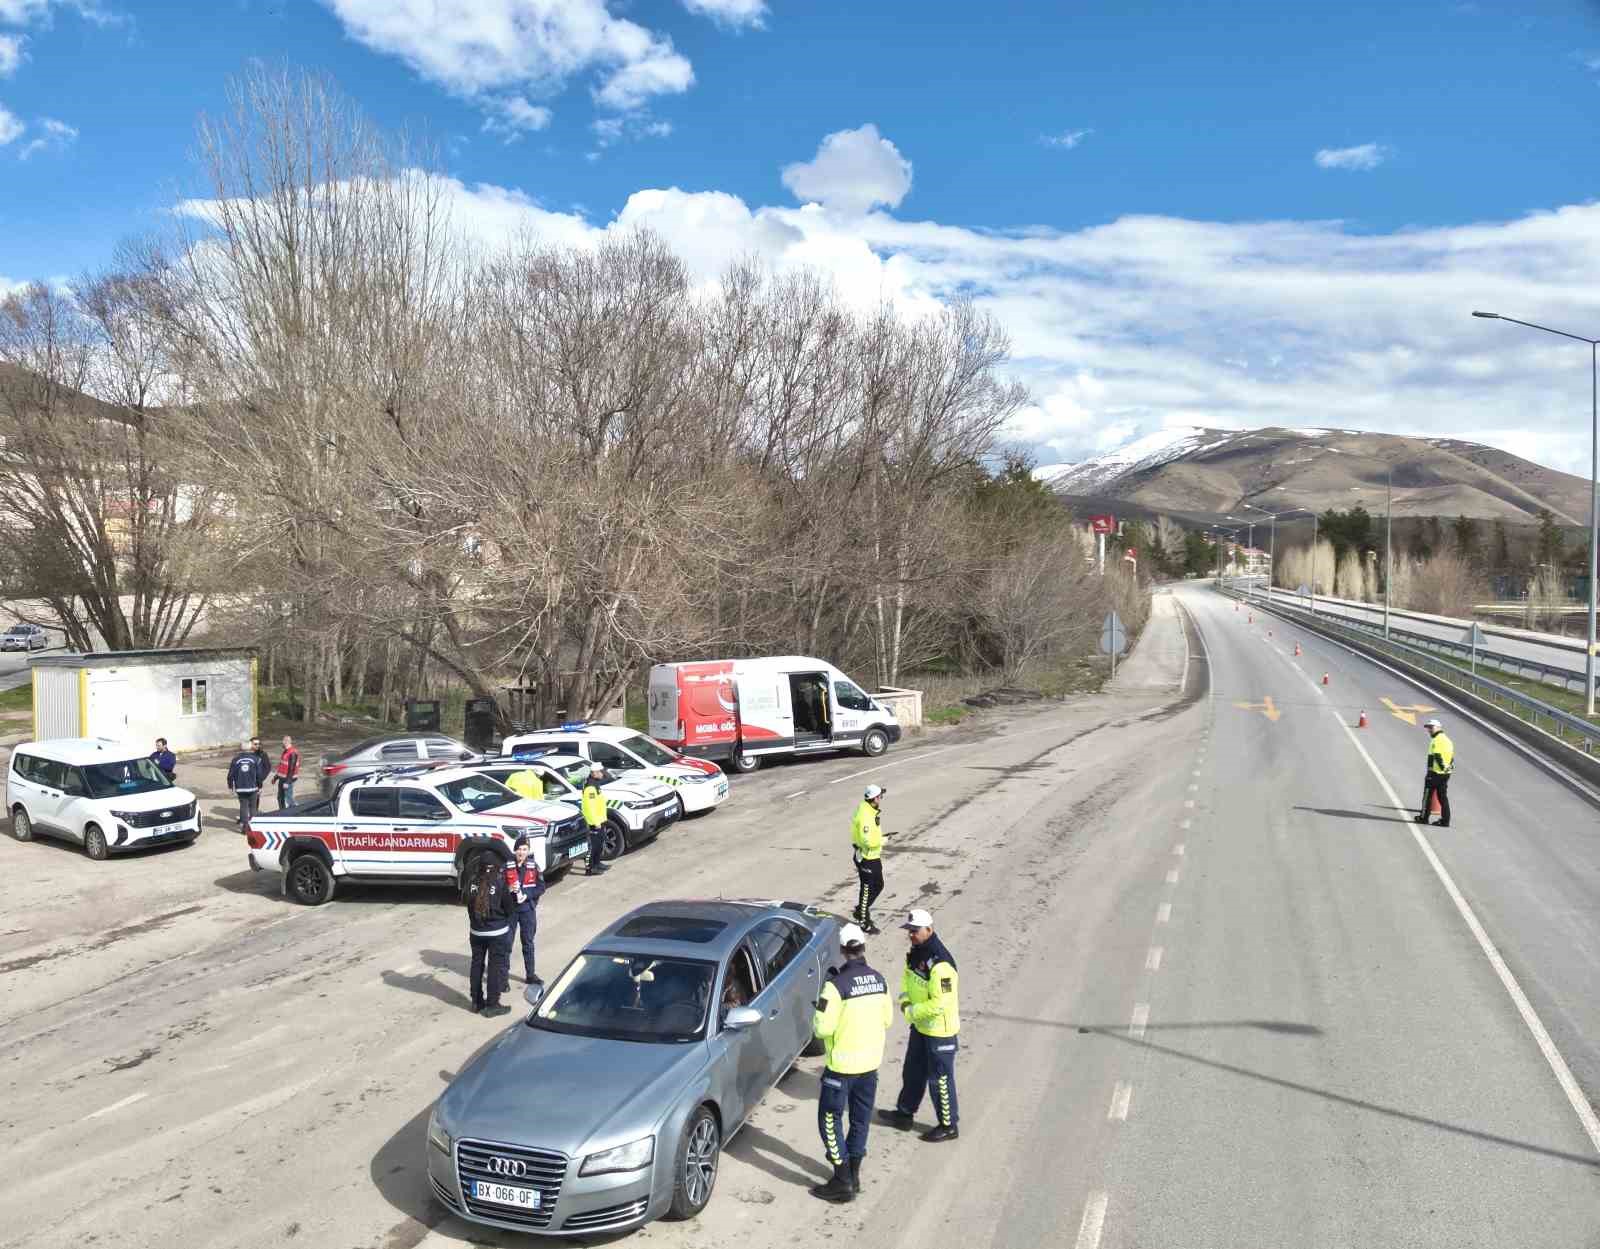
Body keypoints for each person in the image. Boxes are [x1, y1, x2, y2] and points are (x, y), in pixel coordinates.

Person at [810, 922, 893, 1203]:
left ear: (843, 950)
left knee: (829, 1121)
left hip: (842, 1069)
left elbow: (821, 1029)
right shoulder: (880, 980)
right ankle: (854, 1175)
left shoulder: (835, 986)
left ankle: (842, 1178)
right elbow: (888, 1020)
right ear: (863, 948)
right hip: (869, 1066)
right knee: (860, 1120)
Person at [879, 908, 961, 1142]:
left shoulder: (941, 963)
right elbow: (907, 977)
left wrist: (913, 1011)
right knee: (912, 1072)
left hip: (939, 1031)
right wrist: (905, 999)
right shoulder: (917, 952)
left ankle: (948, 1125)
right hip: (920, 1027)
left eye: (915, 931)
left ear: (929, 930)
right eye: (909, 931)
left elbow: (942, 1003)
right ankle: (904, 1115)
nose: (911, 935)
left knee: (940, 1080)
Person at [464, 856, 514, 1016]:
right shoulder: (499, 881)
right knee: (494, 967)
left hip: (476, 932)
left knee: (476, 965)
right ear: (494, 867)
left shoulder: (472, 881)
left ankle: (476, 1002)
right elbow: (509, 907)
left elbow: (466, 902)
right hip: (496, 932)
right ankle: (493, 1004)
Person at [504, 835, 546, 985]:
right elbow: (498, 888)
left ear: (528, 851)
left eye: (524, 849)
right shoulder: (506, 866)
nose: (521, 852)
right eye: (519, 849)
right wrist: (508, 889)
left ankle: (530, 975)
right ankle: (503, 978)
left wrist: (527, 895)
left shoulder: (533, 866)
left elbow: (541, 887)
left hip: (527, 910)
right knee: (506, 944)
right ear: (515, 850)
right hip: (510, 911)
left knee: (528, 943)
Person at [851, 785, 886, 935]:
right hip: (867, 858)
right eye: (880, 796)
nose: (881, 799)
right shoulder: (866, 815)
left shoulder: (869, 809)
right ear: (875, 798)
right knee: (866, 890)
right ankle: (863, 921)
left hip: (873, 856)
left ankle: (861, 910)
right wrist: (882, 841)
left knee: (879, 885)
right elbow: (866, 840)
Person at [1415, 717, 1454, 828]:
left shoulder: (1436, 740)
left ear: (1438, 727)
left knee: (1427, 796)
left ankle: (1423, 818)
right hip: (1446, 774)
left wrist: (1430, 773)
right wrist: (1447, 769)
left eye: (1431, 728)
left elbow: (1435, 757)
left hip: (1435, 773)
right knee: (1442, 797)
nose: (1429, 730)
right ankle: (1445, 821)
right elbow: (1451, 758)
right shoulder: (1448, 740)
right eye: (1428, 728)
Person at [580, 763, 610, 875]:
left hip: (599, 820)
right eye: (601, 772)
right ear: (595, 773)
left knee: (599, 843)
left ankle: (597, 863)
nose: (603, 773)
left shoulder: (595, 785)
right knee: (593, 846)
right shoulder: (591, 788)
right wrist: (596, 822)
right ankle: (590, 868)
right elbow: (590, 807)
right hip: (594, 822)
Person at [226, 740, 263, 827]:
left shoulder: (235, 760)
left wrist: (230, 787)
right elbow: (259, 775)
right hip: (253, 788)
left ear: (241, 748)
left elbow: (230, 775)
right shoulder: (256, 759)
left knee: (243, 806)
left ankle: (245, 827)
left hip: (240, 788)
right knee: (253, 807)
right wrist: (260, 786)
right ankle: (254, 827)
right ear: (250, 747)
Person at [275, 735, 301, 810]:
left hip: (288, 779)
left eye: (283, 742)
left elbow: (291, 768)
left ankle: (294, 812)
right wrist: (276, 777)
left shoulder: (292, 753)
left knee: (289, 798)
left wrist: (288, 781)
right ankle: (282, 813)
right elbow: (282, 766)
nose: (282, 743)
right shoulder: (285, 751)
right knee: (280, 798)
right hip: (282, 778)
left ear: (286, 742)